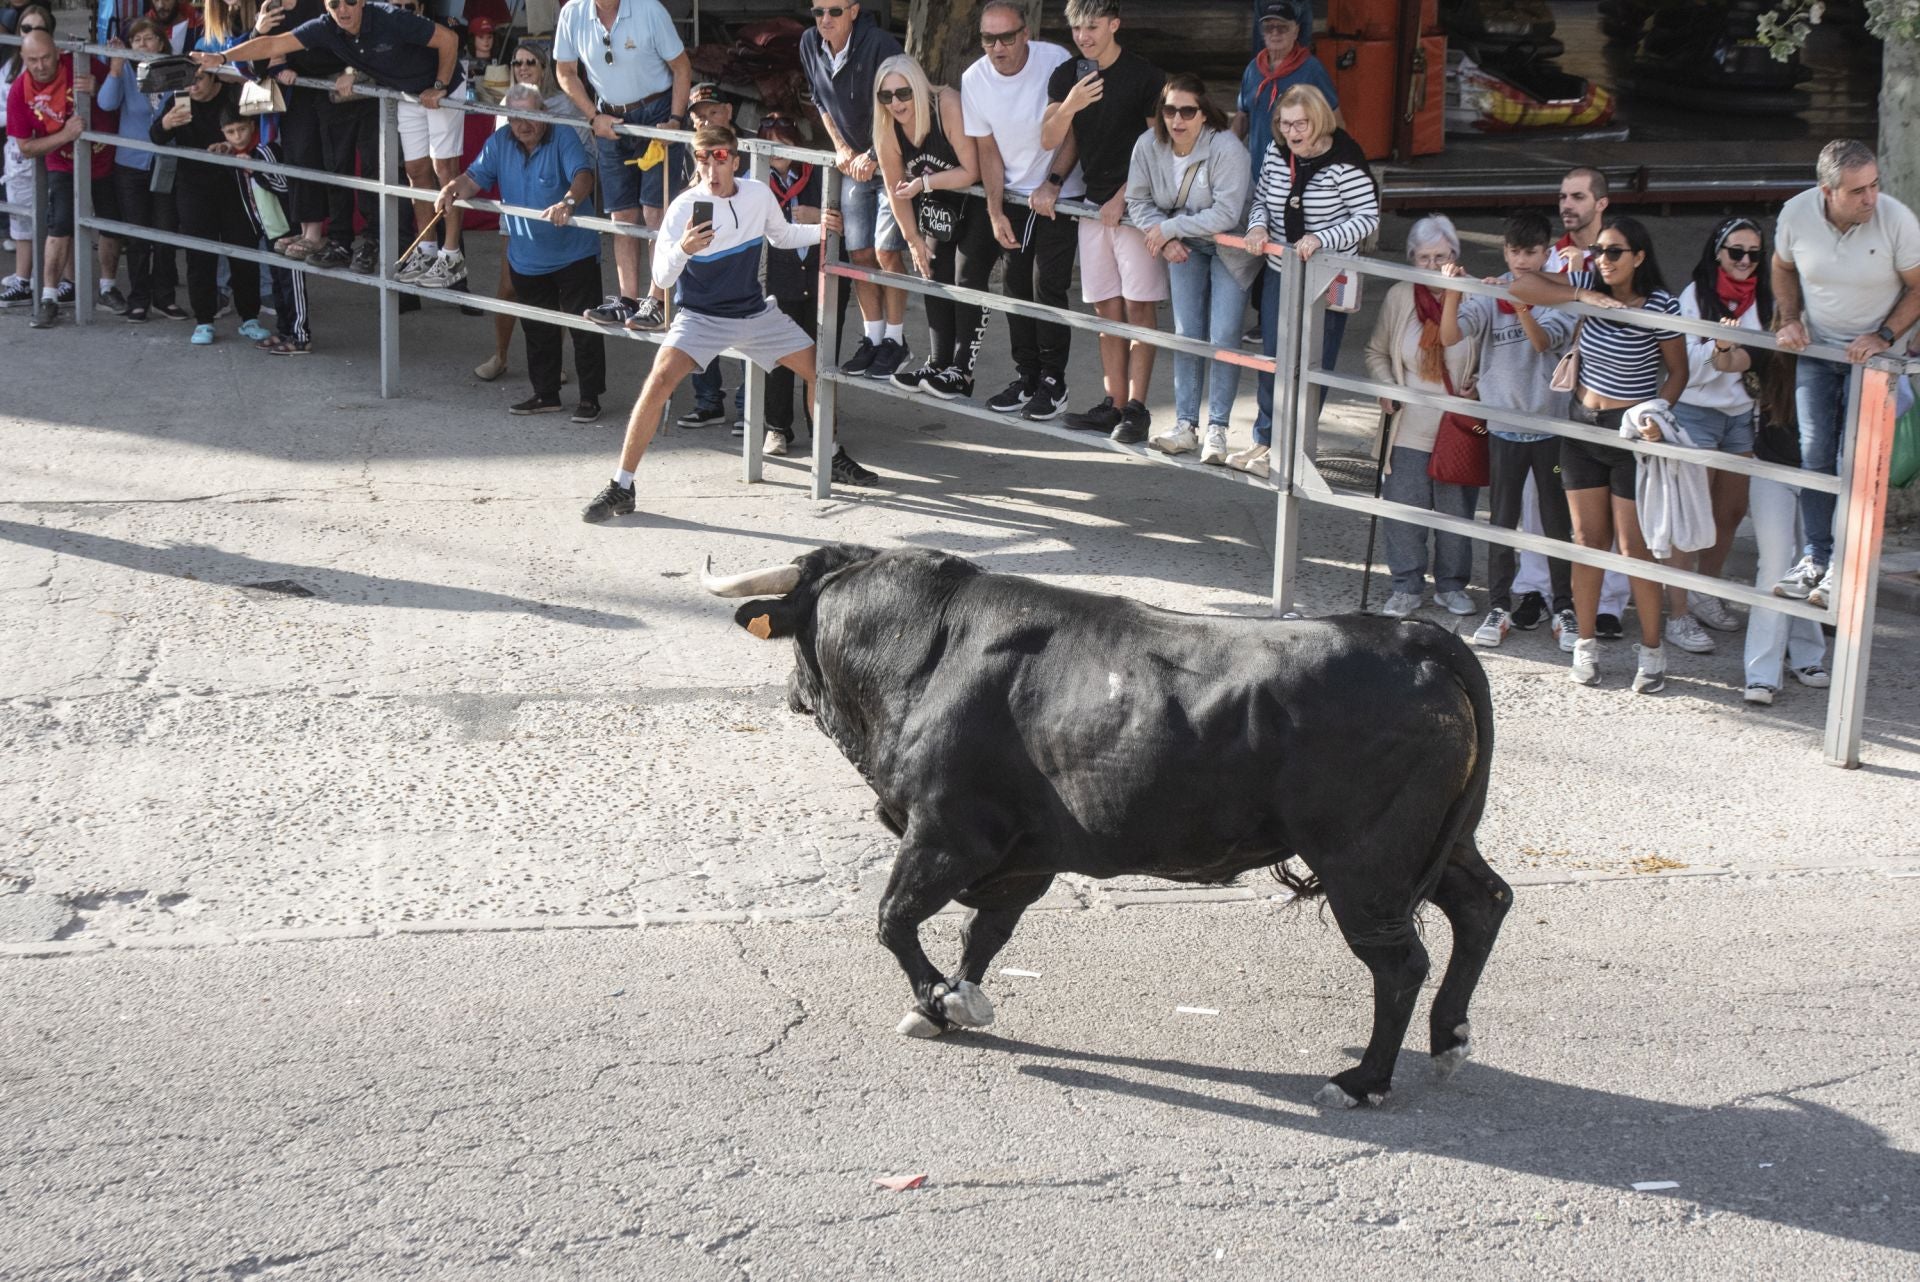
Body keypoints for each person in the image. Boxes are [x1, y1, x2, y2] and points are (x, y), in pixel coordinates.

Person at [580, 123, 870, 525]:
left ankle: (830, 452)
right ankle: (622, 484)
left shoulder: (757, 194)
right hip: (700, 317)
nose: (711, 170)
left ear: (735, 160)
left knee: (820, 371)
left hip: (754, 314)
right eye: (702, 159)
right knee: (659, 379)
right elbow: (662, 279)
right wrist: (684, 248)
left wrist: (821, 229)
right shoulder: (684, 207)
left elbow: (782, 235)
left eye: (718, 159)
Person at [1511, 214, 1688, 693]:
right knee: (1587, 542)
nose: (1604, 260)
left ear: (1639, 257)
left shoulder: (1661, 304)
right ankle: (1585, 646)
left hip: (1630, 434)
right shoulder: (1588, 280)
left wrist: (1656, 412)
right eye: (1600, 251)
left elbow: (1677, 373)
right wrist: (1582, 294)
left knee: (1635, 550)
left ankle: (1652, 653)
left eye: (1615, 252)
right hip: (1581, 426)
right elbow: (1522, 285)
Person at [194, 0, 471, 289]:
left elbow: (449, 39)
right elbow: (273, 45)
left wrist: (439, 87)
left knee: (445, 170)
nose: (343, 9)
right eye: (334, 3)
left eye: (350, 1)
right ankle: (427, 252)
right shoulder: (326, 26)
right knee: (415, 171)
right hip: (408, 92)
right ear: (326, 6)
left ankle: (452, 255)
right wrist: (221, 58)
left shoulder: (389, 17)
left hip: (443, 85)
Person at [1772, 138, 1920, 609]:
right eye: (1858, 191)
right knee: (1815, 456)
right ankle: (1816, 558)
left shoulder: (1895, 219)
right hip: (1820, 351)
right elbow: (1781, 266)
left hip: (1877, 362)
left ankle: (1845, 564)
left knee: (1853, 465)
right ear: (1827, 191)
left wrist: (1883, 335)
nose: (1871, 198)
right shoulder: (1796, 213)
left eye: (1875, 185)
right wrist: (1790, 317)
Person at [1440, 208, 1577, 649]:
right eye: (1514, 252)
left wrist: (1521, 305)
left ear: (1546, 252)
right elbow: (1447, 338)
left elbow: (1541, 342)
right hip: (1502, 429)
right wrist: (1452, 292)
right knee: (1501, 521)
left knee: (1557, 522)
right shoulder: (1488, 295)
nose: (1522, 261)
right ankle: (1499, 605)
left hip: (1551, 428)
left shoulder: (1560, 296)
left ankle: (1565, 607)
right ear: (1504, 251)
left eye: (1532, 252)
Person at [439, 81, 605, 421]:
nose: (522, 126)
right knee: (538, 330)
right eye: (514, 119)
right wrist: (452, 189)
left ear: (544, 112)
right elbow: (474, 178)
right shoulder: (501, 141)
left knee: (584, 329)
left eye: (528, 117)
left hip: (574, 254)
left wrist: (568, 202)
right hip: (527, 256)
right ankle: (546, 394)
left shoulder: (563, 136)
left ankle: (590, 399)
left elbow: (584, 176)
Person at [1042, 0, 1166, 444]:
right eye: (1076, 28)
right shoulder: (1069, 75)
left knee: (1139, 307)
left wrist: (1123, 197)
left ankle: (1136, 408)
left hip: (1136, 206)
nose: (1083, 36)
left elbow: (1159, 147)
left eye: (1092, 27)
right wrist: (1071, 106)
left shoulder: (1145, 76)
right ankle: (1111, 402)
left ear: (1115, 24)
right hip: (1092, 203)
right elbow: (1051, 137)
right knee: (1104, 306)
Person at [1240, 82, 1375, 477]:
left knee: (1314, 361)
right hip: (1282, 270)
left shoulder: (1344, 159)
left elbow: (1368, 217)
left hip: (1328, 275)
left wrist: (1321, 239)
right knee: (1273, 357)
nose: (1292, 133)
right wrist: (1258, 228)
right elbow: (1262, 198)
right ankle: (1265, 439)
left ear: (1318, 121)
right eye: (1285, 125)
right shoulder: (1276, 151)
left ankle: (1295, 446)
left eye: (1300, 124)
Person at [956, 0, 1082, 421]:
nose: (998, 47)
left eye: (1006, 37)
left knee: (1047, 284)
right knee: (1014, 284)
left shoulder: (1056, 61)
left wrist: (1054, 182)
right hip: (1013, 194)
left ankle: (1054, 382)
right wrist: (995, 210)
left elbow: (1072, 129)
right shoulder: (974, 79)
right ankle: (1028, 376)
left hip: (1060, 191)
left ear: (1025, 34)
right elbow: (987, 149)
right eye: (988, 38)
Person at [1125, 73, 1254, 464]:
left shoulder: (1226, 147)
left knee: (1225, 335)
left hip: (1230, 245)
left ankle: (1217, 428)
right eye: (1169, 110)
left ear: (1204, 113)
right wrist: (1164, 238)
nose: (1177, 119)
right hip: (1183, 245)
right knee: (1187, 332)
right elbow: (1138, 200)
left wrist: (1170, 228)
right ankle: (1186, 425)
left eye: (1187, 111)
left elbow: (1227, 213)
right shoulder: (1148, 145)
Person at [1661, 216, 1773, 656]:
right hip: (1697, 412)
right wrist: (1720, 350)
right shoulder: (1695, 295)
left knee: (1729, 511)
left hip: (1741, 415)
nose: (1745, 261)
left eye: (1753, 254)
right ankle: (1678, 612)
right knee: (1692, 517)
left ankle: (1705, 589)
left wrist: (1734, 355)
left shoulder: (1764, 298)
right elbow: (1686, 364)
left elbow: (1761, 356)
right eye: (1736, 252)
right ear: (1717, 252)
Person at [1363, 215, 1480, 620]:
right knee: (1404, 513)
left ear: (1455, 257)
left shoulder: (1474, 297)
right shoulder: (1399, 297)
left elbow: (1491, 360)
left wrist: (1478, 385)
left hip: (1457, 428)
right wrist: (1385, 386)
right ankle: (1406, 587)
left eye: (1441, 257)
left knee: (1455, 517)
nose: (1432, 265)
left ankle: (1451, 587)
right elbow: (1376, 352)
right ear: (1412, 260)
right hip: (1408, 426)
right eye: (1424, 258)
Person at [553, 0, 691, 330]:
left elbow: (682, 67)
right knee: (621, 214)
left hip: (657, 114)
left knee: (656, 212)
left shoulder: (649, 9)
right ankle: (627, 299)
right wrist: (593, 116)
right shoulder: (573, 12)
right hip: (609, 118)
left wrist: (675, 119)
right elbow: (565, 72)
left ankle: (656, 300)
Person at [799, 0, 911, 381]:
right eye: (818, 12)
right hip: (855, 165)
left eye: (834, 11)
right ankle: (873, 339)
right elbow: (819, 100)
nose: (825, 20)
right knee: (859, 251)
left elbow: (902, 105)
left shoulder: (881, 44)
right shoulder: (808, 43)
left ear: (854, 10)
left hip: (890, 158)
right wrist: (843, 150)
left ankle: (896, 341)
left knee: (887, 252)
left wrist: (874, 155)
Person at [874, 53, 985, 400]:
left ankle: (962, 371)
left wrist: (923, 184)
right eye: (886, 96)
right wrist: (911, 240)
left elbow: (972, 171)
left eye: (903, 93)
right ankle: (938, 364)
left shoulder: (946, 104)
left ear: (919, 88)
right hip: (939, 204)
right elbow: (895, 190)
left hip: (977, 199)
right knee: (931, 269)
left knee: (966, 277)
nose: (895, 102)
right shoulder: (886, 125)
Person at [474, 43, 581, 382]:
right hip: (517, 210)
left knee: (557, 292)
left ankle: (554, 362)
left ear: (545, 67)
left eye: (530, 62)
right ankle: (501, 354)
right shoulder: (509, 101)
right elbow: (497, 153)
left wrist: (568, 199)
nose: (522, 67)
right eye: (516, 62)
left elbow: (582, 158)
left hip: (556, 210)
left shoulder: (566, 104)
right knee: (509, 286)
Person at [5, 27, 119, 329]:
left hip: (104, 154)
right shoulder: (20, 91)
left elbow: (117, 96)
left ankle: (108, 288)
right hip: (63, 162)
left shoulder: (80, 64)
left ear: (58, 53)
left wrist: (100, 86)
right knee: (59, 225)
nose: (41, 65)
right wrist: (65, 135)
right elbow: (26, 148)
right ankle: (49, 297)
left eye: (46, 58)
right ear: (22, 58)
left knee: (109, 222)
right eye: (33, 60)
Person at [150, 69, 269, 344]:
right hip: (193, 186)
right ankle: (204, 320)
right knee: (199, 255)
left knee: (244, 252)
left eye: (199, 79)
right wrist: (167, 123)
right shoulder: (180, 99)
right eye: (188, 79)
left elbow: (261, 125)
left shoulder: (232, 95)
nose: (192, 85)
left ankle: (249, 317)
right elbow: (156, 137)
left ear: (214, 78)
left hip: (234, 184)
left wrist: (231, 144)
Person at [1740, 352, 1830, 705]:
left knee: (1811, 564)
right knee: (1775, 566)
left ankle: (1807, 656)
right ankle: (1761, 674)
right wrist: (1722, 348)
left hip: (1822, 474)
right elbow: (1733, 362)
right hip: (1773, 468)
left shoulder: (1836, 355)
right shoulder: (1774, 348)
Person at [254, 0, 353, 270]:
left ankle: (319, 234)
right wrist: (275, 64)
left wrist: (348, 72)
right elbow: (262, 56)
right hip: (295, 93)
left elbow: (343, 42)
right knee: (297, 158)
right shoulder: (270, 5)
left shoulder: (321, 4)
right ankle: (305, 228)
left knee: (325, 160)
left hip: (329, 90)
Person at [97, 19, 183, 322]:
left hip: (166, 163)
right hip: (130, 165)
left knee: (164, 234)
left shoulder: (174, 71)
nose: (144, 45)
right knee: (136, 237)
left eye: (149, 39)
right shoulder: (126, 73)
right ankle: (138, 299)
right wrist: (116, 68)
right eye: (137, 40)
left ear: (161, 43)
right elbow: (106, 103)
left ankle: (165, 298)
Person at [675, 81, 749, 427]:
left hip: (741, 249)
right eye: (699, 117)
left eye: (713, 113)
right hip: (701, 248)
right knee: (696, 322)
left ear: (729, 113)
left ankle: (748, 407)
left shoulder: (747, 145)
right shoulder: (689, 149)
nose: (706, 122)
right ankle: (708, 401)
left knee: (748, 326)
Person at [750, 111, 823, 455]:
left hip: (819, 277)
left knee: (821, 358)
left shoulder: (820, 172)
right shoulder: (755, 180)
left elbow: (847, 221)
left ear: (798, 144)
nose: (775, 149)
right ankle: (777, 428)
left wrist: (818, 216)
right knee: (778, 356)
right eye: (768, 142)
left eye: (783, 142)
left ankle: (821, 428)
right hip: (778, 277)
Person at [220, 103, 314, 353]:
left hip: (287, 229)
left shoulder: (266, 151)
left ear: (253, 126)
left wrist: (256, 171)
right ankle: (284, 331)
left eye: (241, 129)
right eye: (230, 132)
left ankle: (300, 337)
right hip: (269, 230)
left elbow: (285, 187)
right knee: (277, 284)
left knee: (292, 284)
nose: (238, 136)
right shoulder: (236, 154)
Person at [1232, 0, 1335, 188]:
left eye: (1282, 28)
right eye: (1269, 27)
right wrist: (1223, 152)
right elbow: (1242, 118)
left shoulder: (1312, 69)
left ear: (1296, 31)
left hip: (1300, 178)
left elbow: (1334, 122)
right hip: (1258, 177)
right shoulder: (1253, 69)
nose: (1275, 33)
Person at [1, 5, 58, 309]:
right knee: (21, 216)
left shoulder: (58, 66)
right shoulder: (10, 66)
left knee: (58, 217)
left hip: (53, 152)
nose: (32, 34)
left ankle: (62, 281)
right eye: (25, 29)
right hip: (18, 152)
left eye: (39, 28)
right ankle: (23, 279)